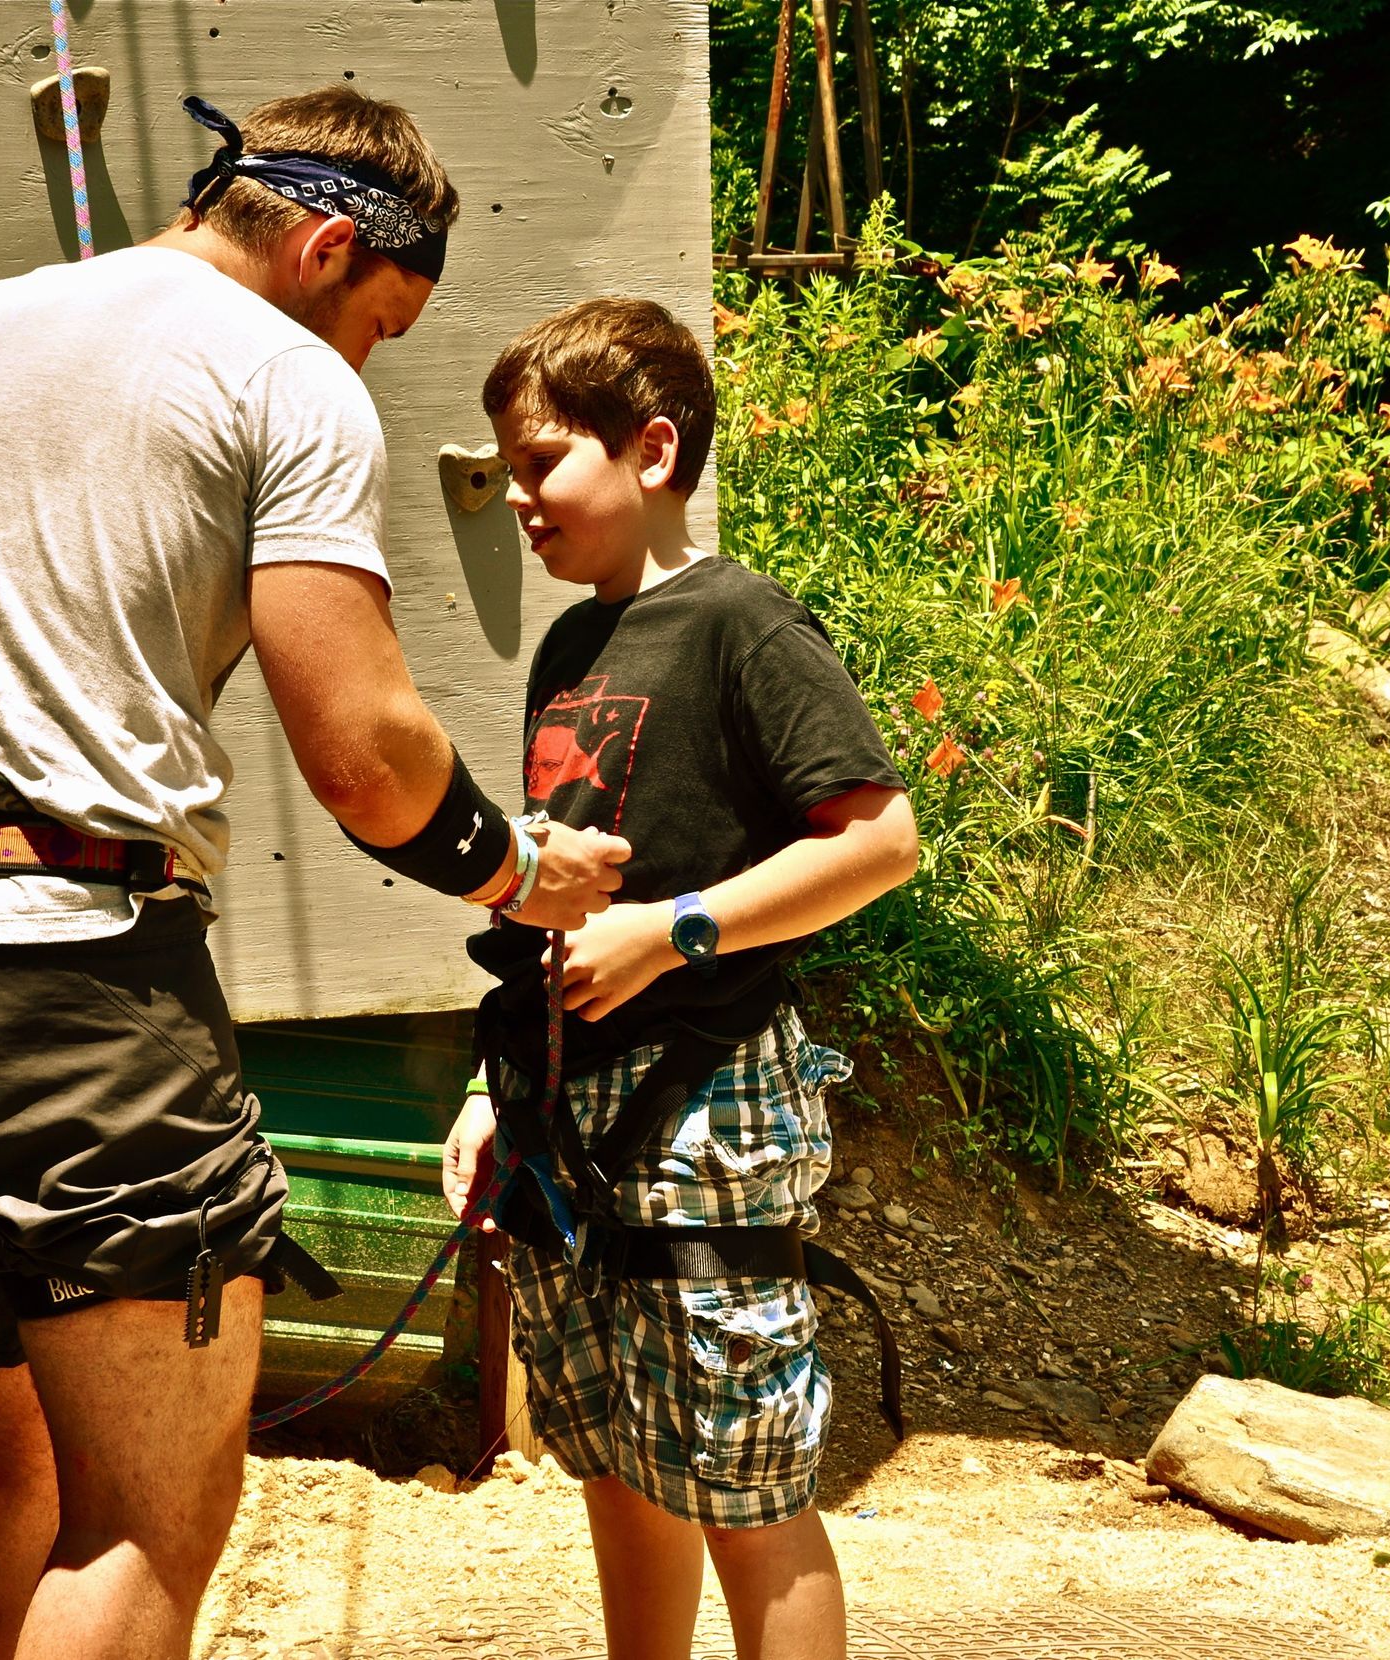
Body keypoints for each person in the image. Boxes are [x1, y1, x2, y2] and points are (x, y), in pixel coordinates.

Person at [0, 88, 629, 1660]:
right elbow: (364, 751)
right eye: (379, 321)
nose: (367, 361)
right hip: (68, 979)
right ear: (323, 244)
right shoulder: (281, 375)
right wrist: (517, 872)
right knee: (148, 1515)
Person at [441, 299, 920, 1660]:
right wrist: (498, 1083)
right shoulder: (566, 649)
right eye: (507, 468)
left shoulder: (742, 624)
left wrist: (677, 932)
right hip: (568, 1106)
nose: (516, 497)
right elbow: (561, 896)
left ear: (653, 451)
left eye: (540, 463)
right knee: (615, 1456)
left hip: (709, 1104)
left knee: (744, 1486)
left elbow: (881, 842)